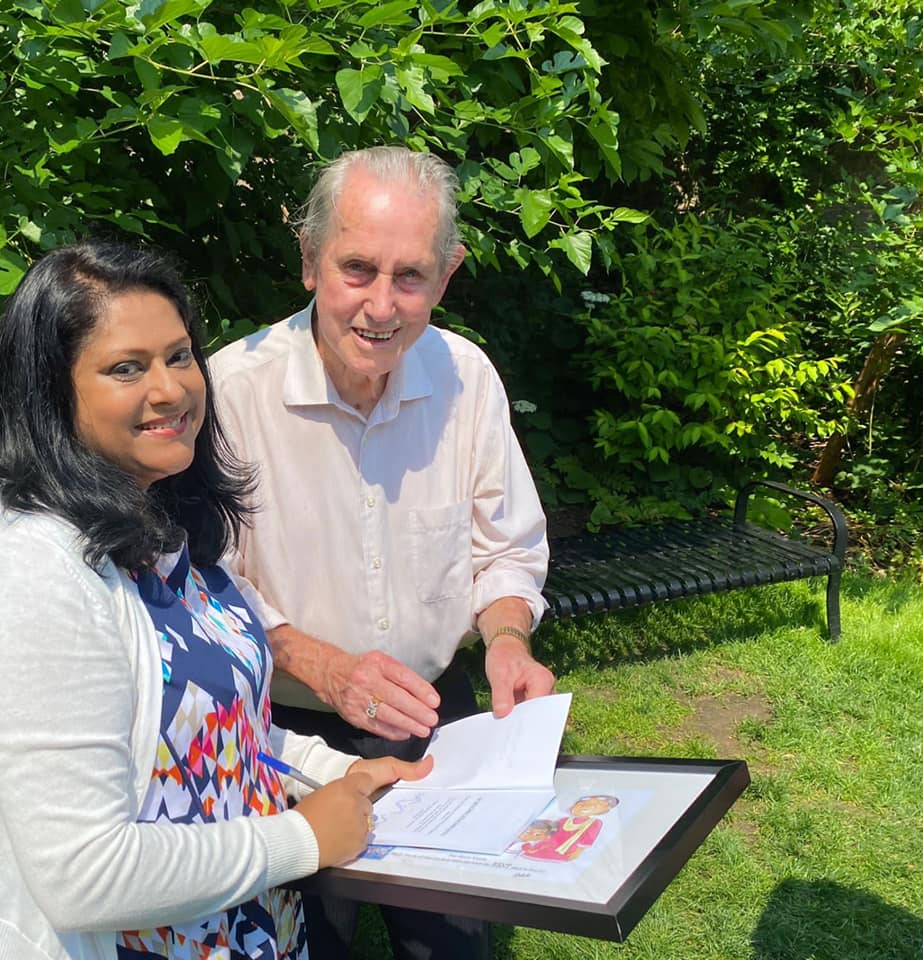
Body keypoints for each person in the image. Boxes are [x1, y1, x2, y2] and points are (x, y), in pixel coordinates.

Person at [0, 241, 430, 960]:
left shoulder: (166, 533)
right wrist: (301, 838)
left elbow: (223, 733)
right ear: (50, 394)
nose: (170, 389)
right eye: (126, 368)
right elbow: (84, 875)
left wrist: (338, 774)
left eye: (179, 356)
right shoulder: (38, 569)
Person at [209, 145, 556, 958]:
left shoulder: (466, 376)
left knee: (452, 943)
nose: (380, 305)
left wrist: (507, 638)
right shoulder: (230, 392)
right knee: (304, 943)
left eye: (409, 277)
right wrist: (323, 666)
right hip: (282, 727)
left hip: (435, 716)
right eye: (357, 268)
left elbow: (505, 548)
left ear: (446, 274)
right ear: (309, 260)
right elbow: (204, 590)